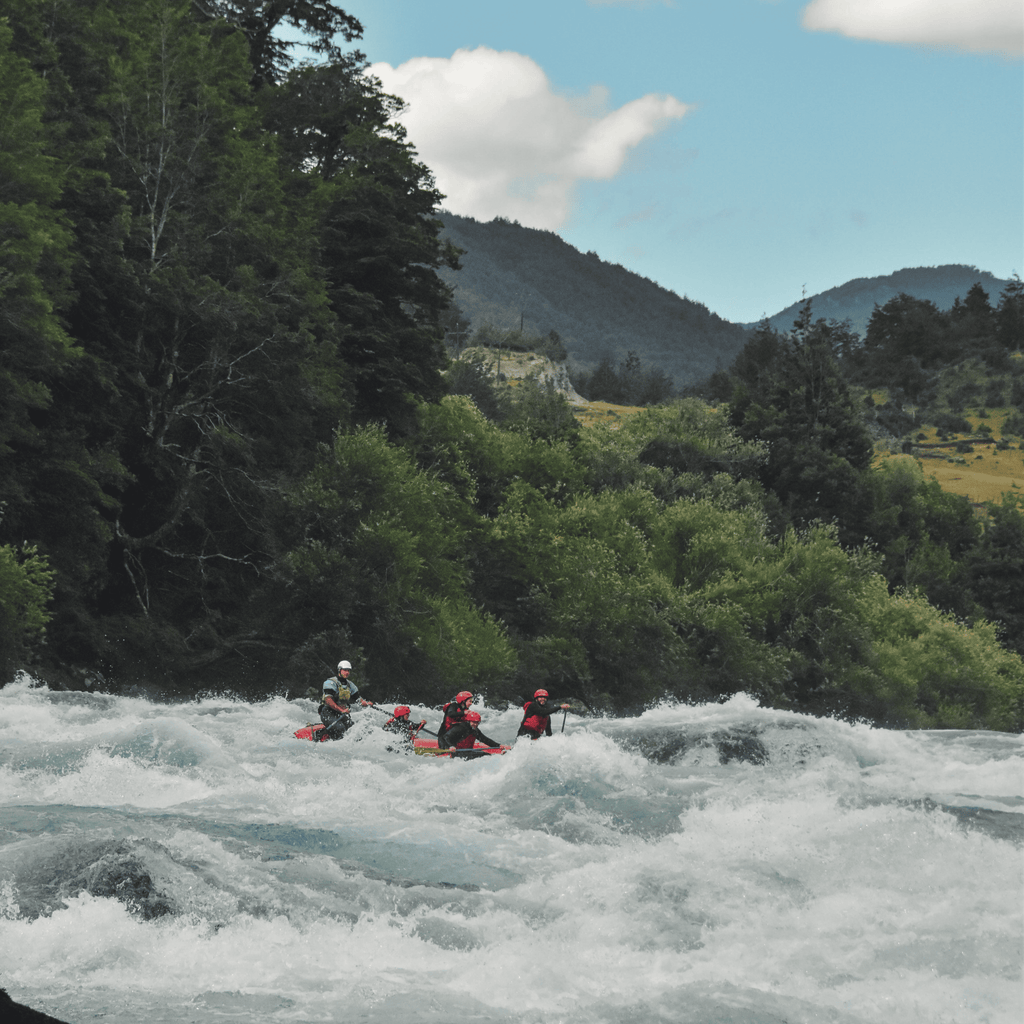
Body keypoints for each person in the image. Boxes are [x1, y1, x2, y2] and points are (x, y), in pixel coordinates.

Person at [316, 659, 369, 741]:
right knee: (340, 728)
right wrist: (341, 710)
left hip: (340, 714)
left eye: (348, 670)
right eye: (345, 670)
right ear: (339, 670)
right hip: (328, 712)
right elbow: (328, 700)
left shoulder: (350, 685)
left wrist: (364, 703)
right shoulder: (331, 682)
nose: (347, 672)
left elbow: (358, 698)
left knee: (354, 730)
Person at [441, 711, 508, 758]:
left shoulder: (475, 730)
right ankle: (498, 757)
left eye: (477, 722)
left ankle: (498, 756)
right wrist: (451, 746)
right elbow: (446, 737)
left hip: (467, 752)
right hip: (457, 752)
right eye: (474, 722)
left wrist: (499, 746)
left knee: (484, 754)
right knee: (484, 755)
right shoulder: (460, 727)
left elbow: (485, 740)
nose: (476, 724)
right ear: (469, 720)